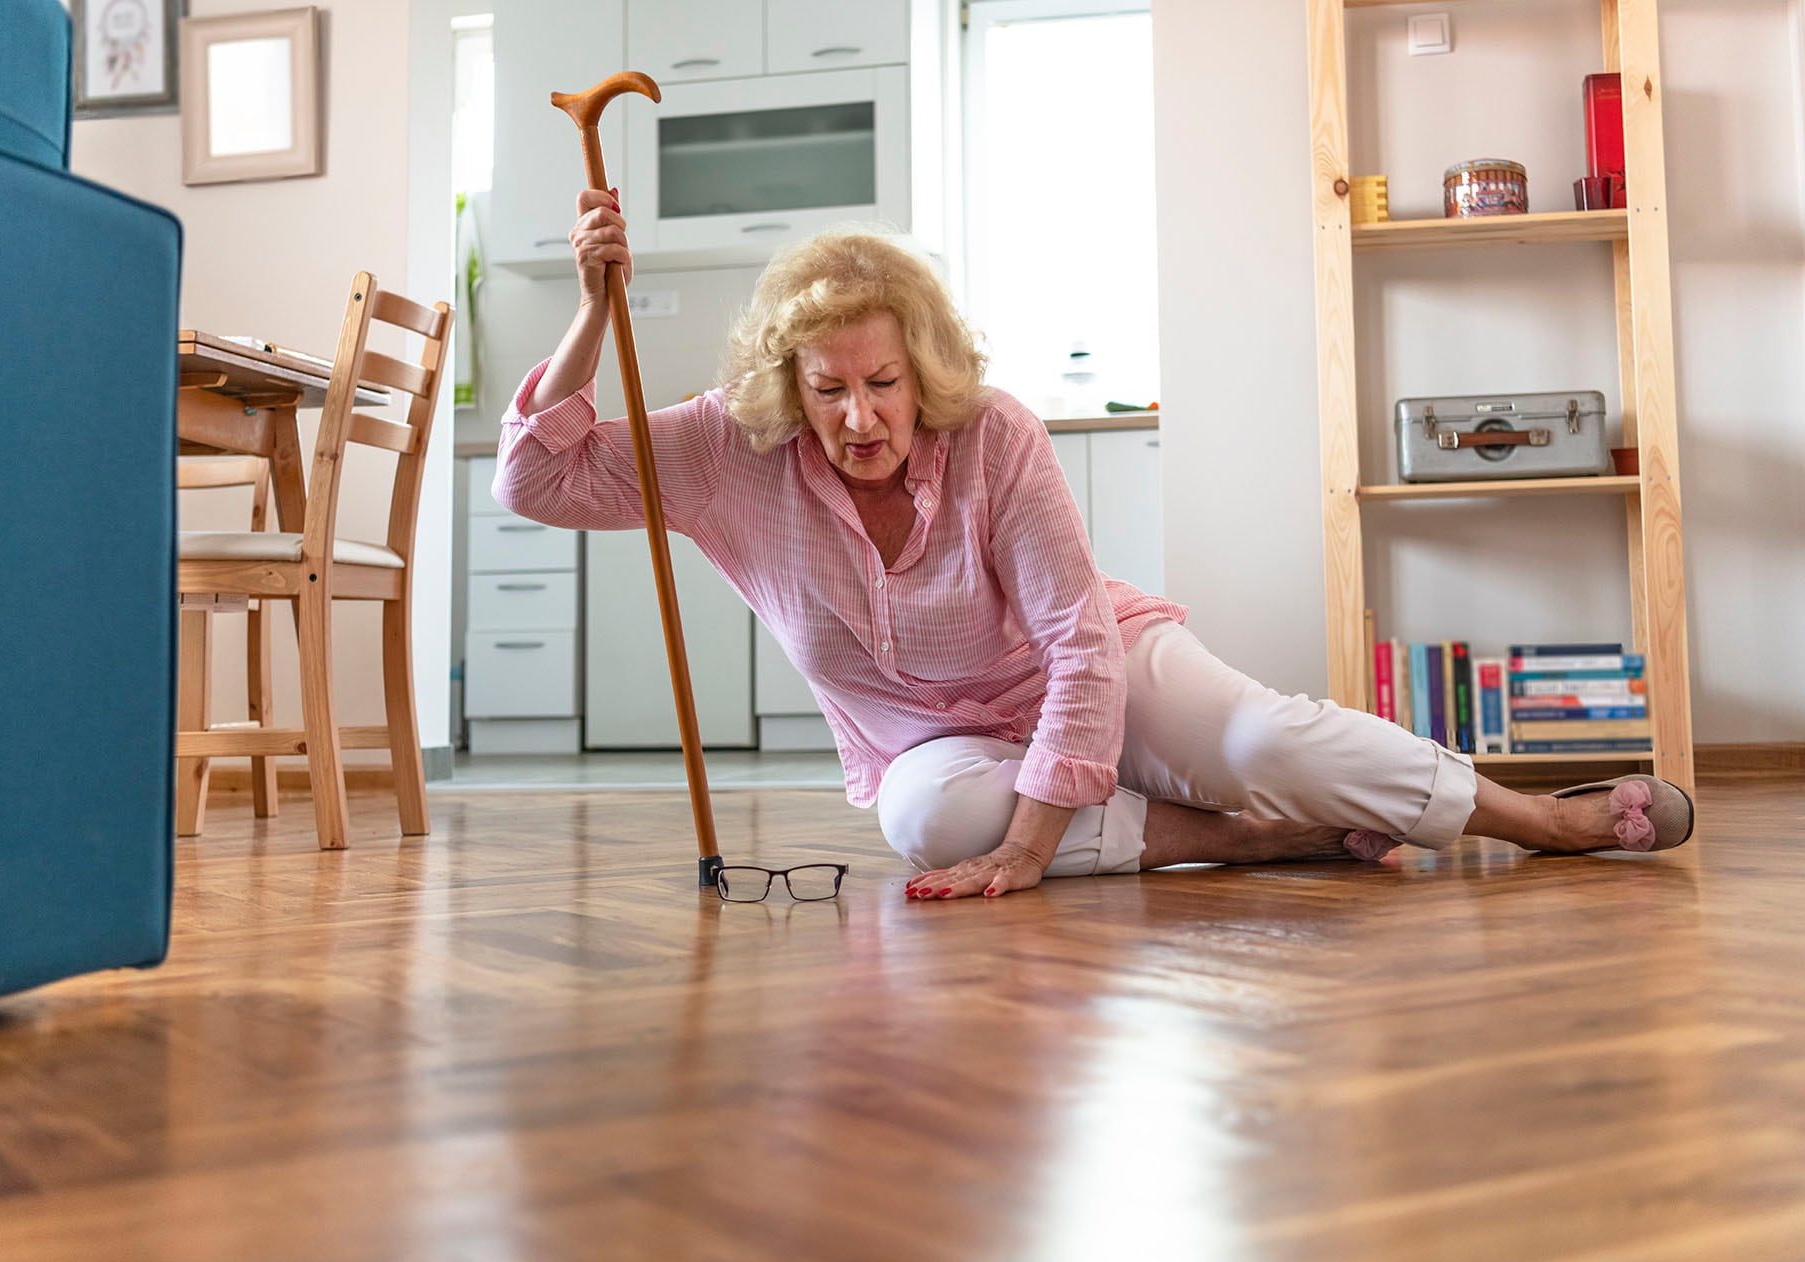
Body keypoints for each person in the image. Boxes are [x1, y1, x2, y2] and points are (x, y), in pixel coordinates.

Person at [492, 189, 1695, 901]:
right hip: (940, 741)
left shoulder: (995, 433)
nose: (857, 417)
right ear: (786, 383)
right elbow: (538, 473)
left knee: (1257, 736)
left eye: (882, 382)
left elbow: (1076, 643)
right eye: (828, 389)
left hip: (1097, 667)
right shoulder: (726, 448)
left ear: (922, 370)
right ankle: (1270, 836)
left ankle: (1544, 820)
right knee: (922, 822)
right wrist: (595, 310)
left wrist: (1032, 845)